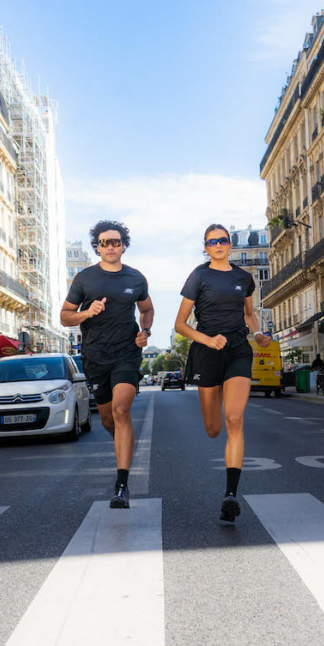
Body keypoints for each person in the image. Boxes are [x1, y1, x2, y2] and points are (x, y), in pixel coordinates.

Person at [174, 223, 270, 525]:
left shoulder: (244, 278)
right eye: (212, 241)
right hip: (207, 352)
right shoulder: (199, 276)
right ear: (206, 246)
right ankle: (229, 489)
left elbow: (248, 314)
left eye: (223, 240)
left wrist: (258, 334)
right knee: (214, 427)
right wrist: (207, 340)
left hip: (239, 349)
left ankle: (230, 495)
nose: (218, 244)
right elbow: (180, 324)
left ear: (230, 244)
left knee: (234, 419)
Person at [60, 220, 154, 509]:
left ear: (123, 245)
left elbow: (147, 309)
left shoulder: (136, 278)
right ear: (97, 247)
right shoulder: (84, 279)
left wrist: (145, 331)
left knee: (121, 409)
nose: (111, 246)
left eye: (116, 242)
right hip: (95, 356)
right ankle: (122, 442)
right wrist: (87, 313)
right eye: (105, 242)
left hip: (126, 351)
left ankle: (122, 485)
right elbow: (65, 316)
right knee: (108, 419)